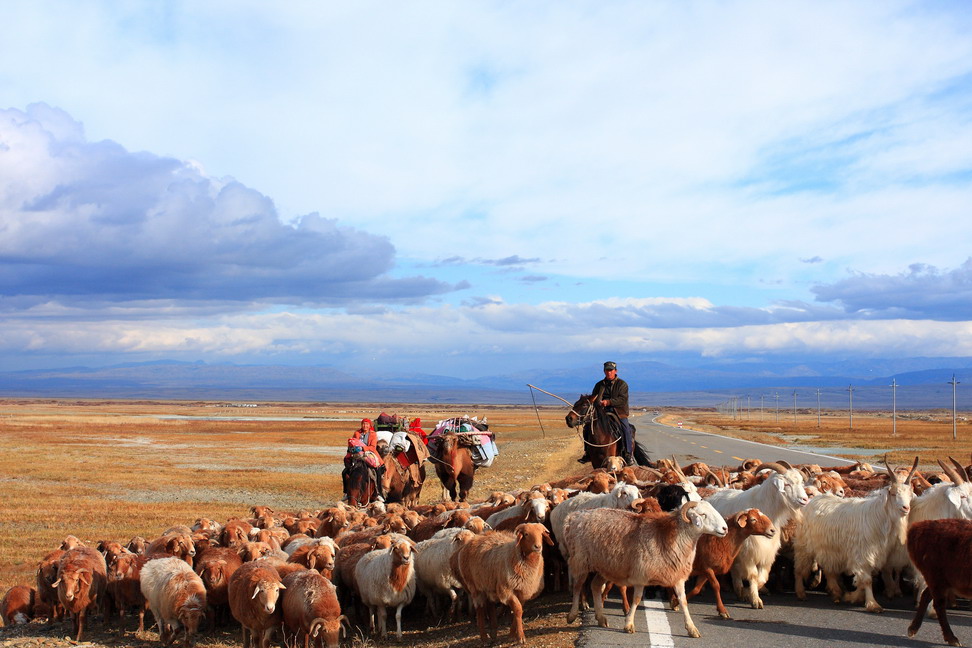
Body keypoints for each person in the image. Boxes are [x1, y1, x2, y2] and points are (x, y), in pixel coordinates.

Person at [579, 360, 634, 465]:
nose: (609, 372)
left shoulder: (622, 384)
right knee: (587, 427)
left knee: (626, 429)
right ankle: (587, 453)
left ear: (615, 371)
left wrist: (608, 402)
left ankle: (628, 454)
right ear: (604, 371)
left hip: (619, 412)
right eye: (606, 370)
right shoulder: (599, 385)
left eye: (611, 370)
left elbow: (622, 399)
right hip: (602, 413)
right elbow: (594, 398)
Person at [342, 418, 386, 502]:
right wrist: (353, 448)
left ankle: (378, 493)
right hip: (357, 455)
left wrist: (362, 448)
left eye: (367, 424)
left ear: (370, 426)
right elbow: (353, 443)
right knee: (345, 472)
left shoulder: (373, 434)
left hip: (369, 454)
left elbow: (373, 447)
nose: (365, 426)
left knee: (377, 472)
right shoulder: (357, 433)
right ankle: (346, 493)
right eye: (363, 424)